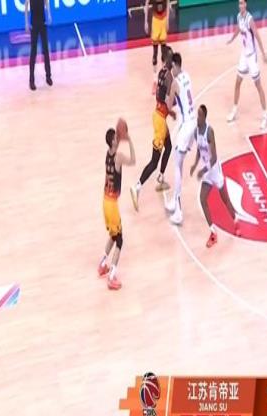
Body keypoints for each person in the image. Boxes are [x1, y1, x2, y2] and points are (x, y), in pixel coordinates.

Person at [130, 46, 174, 212]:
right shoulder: (169, 76)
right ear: (166, 59)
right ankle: (137, 186)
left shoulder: (161, 73)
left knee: (169, 146)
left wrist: (170, 112)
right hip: (160, 122)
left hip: (158, 115)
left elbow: (159, 96)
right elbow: (169, 100)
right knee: (154, 161)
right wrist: (174, 107)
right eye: (170, 57)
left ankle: (161, 178)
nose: (171, 60)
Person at [190, 105, 241, 247]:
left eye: (200, 115)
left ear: (204, 117)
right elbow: (199, 150)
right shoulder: (196, 132)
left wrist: (203, 170)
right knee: (202, 199)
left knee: (225, 200)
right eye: (197, 115)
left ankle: (236, 221)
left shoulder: (209, 131)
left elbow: (214, 158)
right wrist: (195, 164)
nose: (197, 118)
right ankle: (213, 232)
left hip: (214, 171)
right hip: (206, 172)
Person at [99, 127, 136, 290]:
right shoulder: (118, 157)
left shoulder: (108, 154)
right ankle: (111, 276)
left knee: (113, 236)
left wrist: (122, 137)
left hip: (105, 202)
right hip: (112, 205)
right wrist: (130, 140)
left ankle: (102, 265)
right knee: (120, 240)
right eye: (116, 137)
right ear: (113, 142)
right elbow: (133, 161)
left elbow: (109, 176)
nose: (118, 138)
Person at [226, 0, 267, 130]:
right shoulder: (239, 17)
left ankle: (265, 115)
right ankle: (234, 110)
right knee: (237, 82)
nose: (240, 6)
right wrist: (232, 39)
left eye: (242, 3)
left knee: (258, 85)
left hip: (252, 56)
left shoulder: (250, 19)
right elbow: (238, 29)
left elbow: (257, 36)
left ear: (246, 5)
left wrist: (263, 53)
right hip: (244, 55)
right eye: (239, 3)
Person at [164, 52, 197, 225]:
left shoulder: (175, 83)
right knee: (179, 162)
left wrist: (166, 93)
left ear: (176, 66)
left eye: (172, 68)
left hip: (186, 127)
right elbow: (183, 97)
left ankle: (178, 211)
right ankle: (174, 200)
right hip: (193, 123)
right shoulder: (187, 76)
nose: (171, 71)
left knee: (177, 166)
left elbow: (169, 106)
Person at [24, 0, 52, 91]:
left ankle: (48, 76)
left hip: (43, 23)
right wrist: (26, 23)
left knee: (45, 50)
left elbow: (46, 2)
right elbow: (26, 6)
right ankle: (31, 81)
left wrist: (49, 14)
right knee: (33, 52)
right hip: (34, 25)